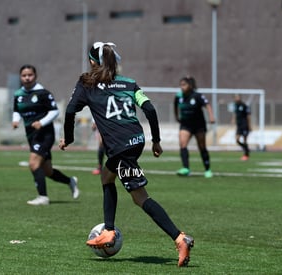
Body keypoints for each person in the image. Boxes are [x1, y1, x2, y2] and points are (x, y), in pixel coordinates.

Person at [59, 42, 194, 267]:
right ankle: (109, 229)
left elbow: (71, 110)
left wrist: (69, 138)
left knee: (140, 197)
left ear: (92, 62)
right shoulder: (129, 83)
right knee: (106, 177)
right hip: (136, 141)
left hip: (121, 147)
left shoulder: (87, 82)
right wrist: (156, 140)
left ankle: (179, 238)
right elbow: (149, 109)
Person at [12, 64, 80, 205]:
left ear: (35, 76)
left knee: (33, 163)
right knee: (47, 171)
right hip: (31, 135)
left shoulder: (43, 93)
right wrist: (15, 120)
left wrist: (41, 122)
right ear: (20, 77)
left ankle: (43, 197)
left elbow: (54, 111)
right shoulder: (18, 94)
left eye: (30, 75)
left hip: (44, 134)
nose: (27, 78)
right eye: (24, 75)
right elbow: (16, 110)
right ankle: (70, 181)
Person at [174, 76, 215, 178]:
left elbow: (207, 105)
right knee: (183, 144)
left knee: (202, 147)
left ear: (190, 85)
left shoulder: (197, 96)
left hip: (199, 125)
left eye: (184, 85)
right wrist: (177, 117)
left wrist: (211, 116)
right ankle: (186, 168)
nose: (182, 87)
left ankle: (207, 169)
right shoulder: (179, 96)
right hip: (185, 125)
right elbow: (175, 106)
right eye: (181, 85)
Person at [233, 94, 251, 161]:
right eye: (235, 97)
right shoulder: (235, 106)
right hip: (239, 126)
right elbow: (235, 114)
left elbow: (248, 116)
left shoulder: (244, 106)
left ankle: (246, 154)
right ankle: (246, 149)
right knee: (237, 140)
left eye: (237, 97)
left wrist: (249, 126)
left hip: (244, 125)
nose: (236, 99)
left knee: (245, 140)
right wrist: (233, 120)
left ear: (240, 98)